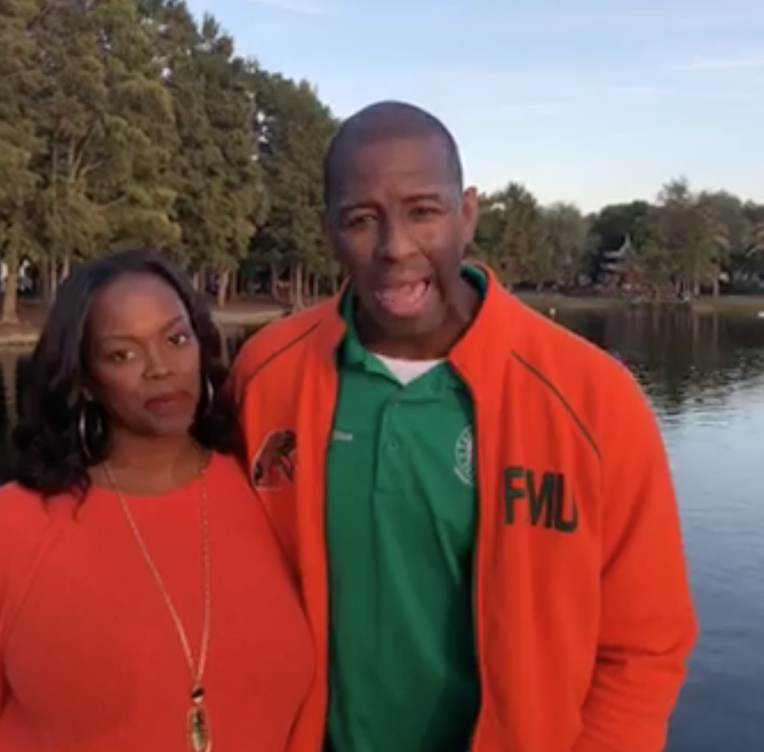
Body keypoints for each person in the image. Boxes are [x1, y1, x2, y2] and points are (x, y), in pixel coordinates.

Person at [228, 100, 698, 752]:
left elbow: (644, 646)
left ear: (467, 213)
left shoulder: (594, 400)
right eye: (363, 220)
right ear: (329, 230)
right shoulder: (266, 377)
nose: (396, 248)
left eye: (423, 211)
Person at [0, 250, 314, 752]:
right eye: (122, 354)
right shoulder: (7, 534)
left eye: (176, 339)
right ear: (84, 380)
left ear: (201, 342)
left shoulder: (271, 498)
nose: (160, 369)